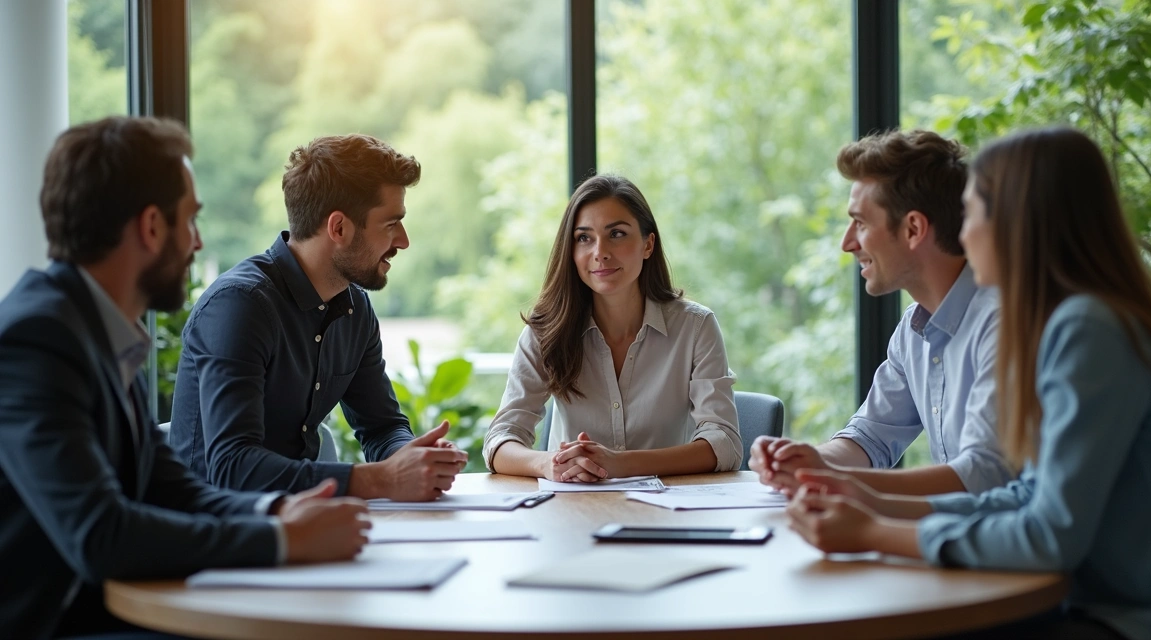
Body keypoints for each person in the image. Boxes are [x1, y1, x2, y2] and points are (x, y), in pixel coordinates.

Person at [787, 127, 1151, 640]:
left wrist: (874, 531)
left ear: (1018, 224)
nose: (963, 235)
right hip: (1111, 606)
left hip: (1147, 623)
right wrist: (868, 501)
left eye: (975, 215)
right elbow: (1025, 495)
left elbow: (1049, 535)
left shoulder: (1086, 330)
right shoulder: (1081, 321)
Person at [0, 116, 371, 639]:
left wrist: (281, 508)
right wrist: (281, 540)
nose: (197, 243)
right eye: (189, 220)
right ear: (153, 227)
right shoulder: (37, 339)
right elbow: (101, 534)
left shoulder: (93, 325)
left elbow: (170, 489)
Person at [170, 134, 467, 500]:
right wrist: (380, 479)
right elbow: (233, 467)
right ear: (338, 228)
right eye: (391, 224)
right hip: (220, 539)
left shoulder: (354, 308)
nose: (403, 241)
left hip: (303, 526)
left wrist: (413, 457)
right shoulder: (239, 306)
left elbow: (382, 427)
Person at [751, 130, 1011, 496]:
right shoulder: (914, 330)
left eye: (860, 223)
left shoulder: (1004, 323)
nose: (847, 244)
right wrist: (808, 461)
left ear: (913, 229)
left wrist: (835, 482)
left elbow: (984, 477)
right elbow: (870, 438)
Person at [482, 174, 742, 481]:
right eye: (584, 238)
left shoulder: (695, 327)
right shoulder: (545, 331)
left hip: (667, 517)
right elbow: (500, 441)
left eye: (616, 234)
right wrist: (549, 464)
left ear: (648, 244)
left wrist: (622, 464)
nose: (600, 252)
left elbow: (724, 445)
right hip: (570, 513)